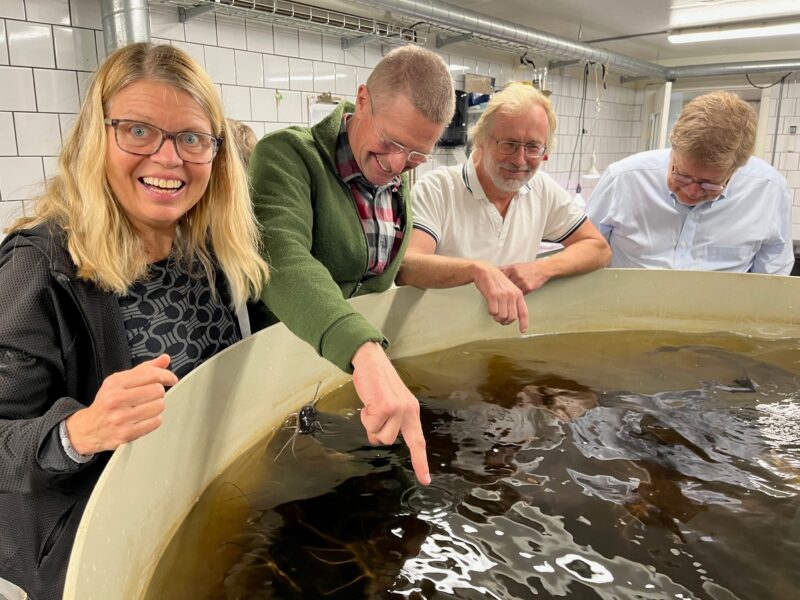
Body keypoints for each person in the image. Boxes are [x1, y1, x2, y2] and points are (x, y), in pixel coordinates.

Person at [0, 43, 270, 600]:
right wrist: (79, 432)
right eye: (138, 131)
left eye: (192, 137)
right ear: (96, 138)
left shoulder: (212, 248)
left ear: (215, 154)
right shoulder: (40, 263)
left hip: (197, 520)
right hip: (103, 556)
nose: (168, 159)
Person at [248, 45, 455, 487]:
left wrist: (477, 272)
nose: (398, 165)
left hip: (350, 371)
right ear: (362, 101)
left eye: (418, 154)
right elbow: (280, 257)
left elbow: (392, 271)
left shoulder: (393, 178)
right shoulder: (288, 155)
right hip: (284, 372)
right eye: (392, 143)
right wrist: (365, 353)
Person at [397, 83, 611, 331]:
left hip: (506, 337)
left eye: (532, 147)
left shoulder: (542, 189)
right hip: (439, 339)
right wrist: (476, 270)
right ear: (482, 141)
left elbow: (599, 249)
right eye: (509, 144)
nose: (520, 160)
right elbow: (408, 266)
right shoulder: (438, 188)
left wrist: (542, 269)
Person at [586, 90, 794, 274]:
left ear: (736, 169)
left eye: (710, 184)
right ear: (673, 147)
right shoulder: (624, 178)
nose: (692, 192)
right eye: (681, 176)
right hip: (625, 313)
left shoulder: (768, 190)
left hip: (720, 317)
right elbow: (583, 247)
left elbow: (773, 271)